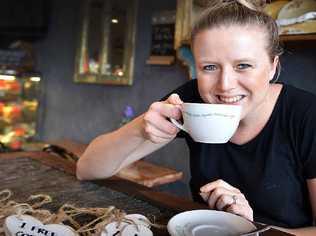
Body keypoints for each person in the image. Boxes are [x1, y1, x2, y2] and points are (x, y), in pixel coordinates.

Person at [76, 0, 316, 234]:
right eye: (209, 67)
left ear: (273, 66)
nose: (225, 85)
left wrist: (252, 231)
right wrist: (141, 128)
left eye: (243, 65)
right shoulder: (191, 100)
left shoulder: (307, 115)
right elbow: (87, 169)